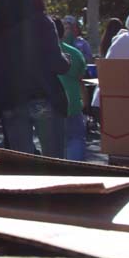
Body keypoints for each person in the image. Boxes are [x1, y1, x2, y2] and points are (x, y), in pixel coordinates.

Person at [0, 0, 70, 157]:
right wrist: (67, 60)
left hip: (11, 101)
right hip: (43, 96)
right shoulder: (42, 22)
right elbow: (56, 63)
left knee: (22, 166)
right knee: (56, 162)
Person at [53, 16, 88, 161]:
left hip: (51, 105)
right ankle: (76, 173)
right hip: (73, 103)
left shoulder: (38, 53)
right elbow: (81, 81)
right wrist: (85, 102)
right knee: (76, 139)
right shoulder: (76, 53)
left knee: (54, 144)